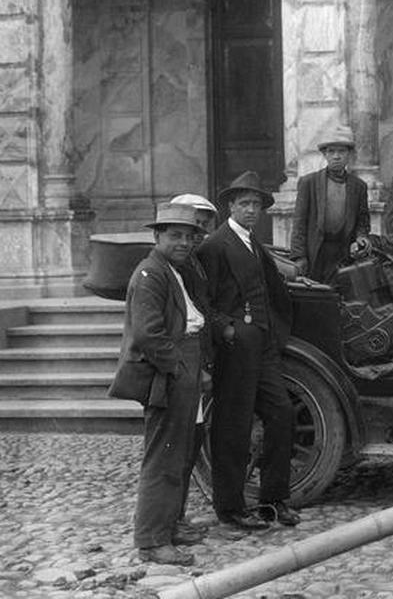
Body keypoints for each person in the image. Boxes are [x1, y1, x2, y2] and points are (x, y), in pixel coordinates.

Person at [196, 171, 299, 530]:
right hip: (235, 346)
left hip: (264, 344)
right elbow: (202, 299)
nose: (252, 210)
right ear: (230, 206)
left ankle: (274, 500)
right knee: (233, 426)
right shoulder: (215, 245)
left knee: (282, 413)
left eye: (256, 204)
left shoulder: (254, 242)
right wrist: (225, 326)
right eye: (245, 204)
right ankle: (230, 507)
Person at [108, 202, 209, 565]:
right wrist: (179, 368)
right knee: (163, 457)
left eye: (188, 236)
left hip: (185, 365)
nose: (183, 242)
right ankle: (151, 541)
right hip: (169, 373)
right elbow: (148, 334)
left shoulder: (171, 270)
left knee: (180, 453)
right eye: (174, 235)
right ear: (157, 236)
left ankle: (170, 525)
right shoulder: (150, 274)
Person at [167, 192, 219, 546]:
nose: (197, 234)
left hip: (196, 363)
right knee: (175, 451)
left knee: (191, 443)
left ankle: (178, 517)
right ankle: (171, 521)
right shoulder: (176, 268)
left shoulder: (198, 262)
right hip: (180, 368)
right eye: (191, 226)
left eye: (201, 227)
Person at [290, 125, 371, 282]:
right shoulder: (309, 183)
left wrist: (361, 238)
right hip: (316, 252)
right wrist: (299, 257)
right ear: (324, 155)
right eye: (331, 152)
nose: (336, 156)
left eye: (341, 152)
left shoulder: (358, 186)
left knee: (344, 297)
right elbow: (299, 223)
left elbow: (363, 221)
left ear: (349, 155)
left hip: (344, 253)